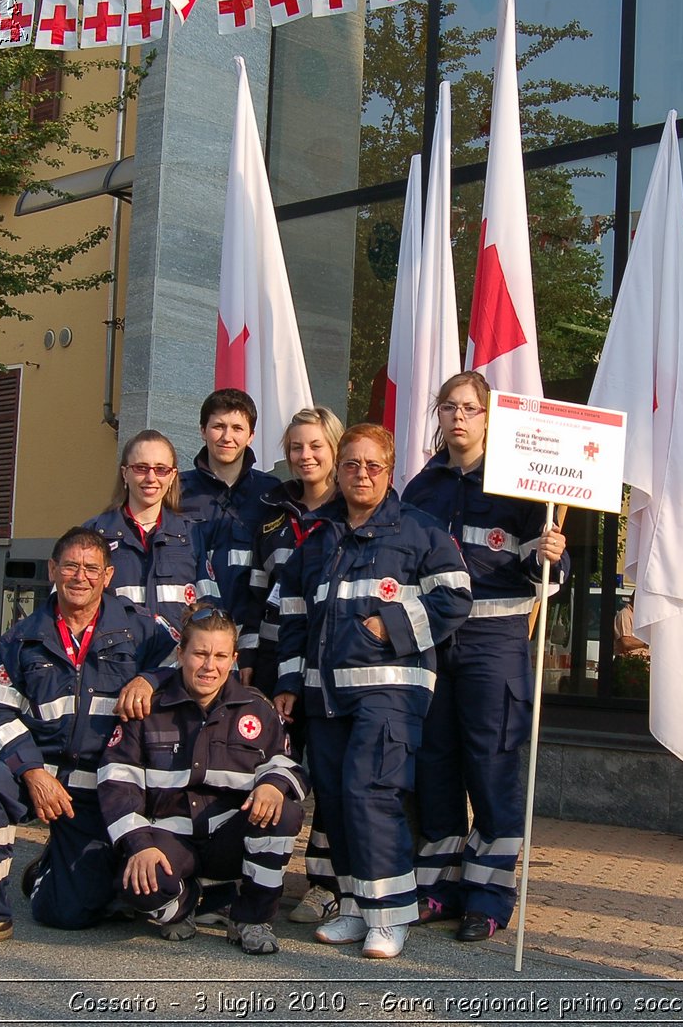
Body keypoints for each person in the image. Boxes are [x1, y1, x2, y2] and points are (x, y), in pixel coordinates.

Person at [272, 423, 472, 959]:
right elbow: (290, 614)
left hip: (390, 692)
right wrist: (290, 682)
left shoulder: (420, 531)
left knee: (371, 795)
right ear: (338, 470)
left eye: (373, 466)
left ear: (390, 471)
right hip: (324, 695)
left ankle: (389, 917)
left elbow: (455, 599)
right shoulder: (317, 536)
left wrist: (390, 625)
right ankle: (357, 907)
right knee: (336, 802)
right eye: (352, 465)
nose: (362, 474)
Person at [0, 527, 175, 953]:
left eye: (91, 568)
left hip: (101, 786)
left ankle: (51, 870)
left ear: (107, 576)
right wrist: (31, 771)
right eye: (70, 566)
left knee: (67, 915)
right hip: (38, 771)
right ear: (53, 570)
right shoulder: (22, 636)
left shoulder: (139, 628)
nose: (79, 577)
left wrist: (148, 677)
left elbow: (184, 658)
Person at [404, 371, 569, 942]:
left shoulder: (522, 485)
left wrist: (552, 554)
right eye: (447, 406)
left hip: (494, 641)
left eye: (469, 408)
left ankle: (490, 896)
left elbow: (545, 573)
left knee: (493, 764)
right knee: (436, 763)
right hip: (433, 641)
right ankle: (439, 887)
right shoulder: (420, 489)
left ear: (489, 416)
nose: (457, 417)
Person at [98, 608, 307, 955]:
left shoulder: (256, 707)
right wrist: (138, 844)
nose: (210, 666)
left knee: (283, 811)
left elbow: (289, 764)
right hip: (169, 838)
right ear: (180, 653)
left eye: (221, 656)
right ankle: (193, 901)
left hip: (229, 839)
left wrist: (272, 784)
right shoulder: (147, 708)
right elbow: (117, 781)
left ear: (234, 660)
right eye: (200, 653)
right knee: (136, 888)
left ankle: (252, 918)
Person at [246, 405, 343, 925]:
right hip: (272, 661)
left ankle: (324, 882)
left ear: (334, 449)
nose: (305, 456)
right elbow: (255, 593)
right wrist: (247, 659)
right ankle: (261, 870)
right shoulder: (273, 514)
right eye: (296, 447)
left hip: (329, 664)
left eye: (316, 446)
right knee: (269, 763)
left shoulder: (351, 510)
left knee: (326, 772)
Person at [180, 389, 279, 681]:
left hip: (254, 640)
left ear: (251, 436)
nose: (227, 436)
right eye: (218, 426)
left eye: (237, 428)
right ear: (202, 430)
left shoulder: (270, 494)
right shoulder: (176, 490)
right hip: (195, 640)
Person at [85, 430, 219, 643]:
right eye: (141, 468)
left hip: (173, 667)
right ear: (124, 473)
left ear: (173, 476)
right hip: (114, 665)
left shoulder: (192, 535)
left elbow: (209, 610)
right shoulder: (94, 534)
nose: (151, 478)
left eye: (161, 469)